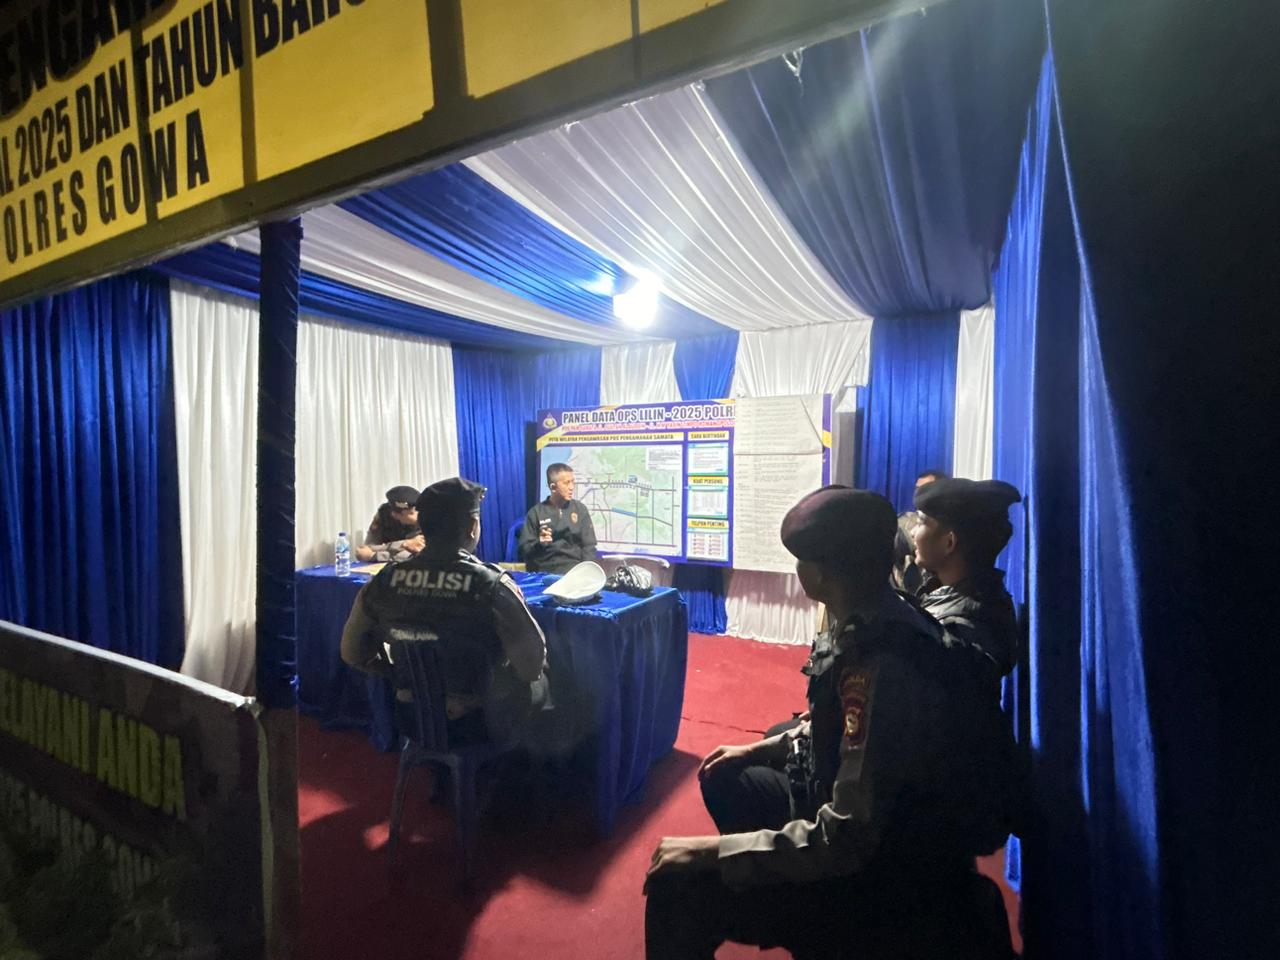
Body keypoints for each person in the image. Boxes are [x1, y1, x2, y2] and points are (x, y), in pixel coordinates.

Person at [644, 485, 1018, 960]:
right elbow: (835, 727)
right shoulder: (882, 616)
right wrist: (759, 750)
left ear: (817, 574)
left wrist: (712, 852)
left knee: (678, 886)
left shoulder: (879, 662)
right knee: (729, 773)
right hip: (867, 833)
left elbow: (848, 837)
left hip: (877, 879)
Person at [340, 477, 549, 744]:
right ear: (472, 528)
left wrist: (397, 676)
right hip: (478, 721)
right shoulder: (490, 584)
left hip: (410, 716)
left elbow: (351, 653)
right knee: (543, 680)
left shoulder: (384, 581)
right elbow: (531, 666)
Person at [911, 477, 1023, 700]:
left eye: (921, 522)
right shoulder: (979, 598)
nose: (913, 532)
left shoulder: (965, 627)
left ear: (949, 543)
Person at [518, 463, 598, 574]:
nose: (571, 487)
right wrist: (539, 543)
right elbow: (524, 549)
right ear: (553, 487)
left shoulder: (580, 510)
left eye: (573, 482)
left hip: (574, 572)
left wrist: (585, 572)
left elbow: (589, 547)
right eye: (566, 483)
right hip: (544, 572)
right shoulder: (536, 513)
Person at [892, 467, 949, 595]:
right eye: (917, 489)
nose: (919, 494)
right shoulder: (902, 523)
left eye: (925, 489)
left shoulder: (949, 525)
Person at [354, 485, 425, 563]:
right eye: (395, 512)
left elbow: (414, 555)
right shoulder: (384, 515)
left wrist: (374, 556)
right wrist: (402, 544)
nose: (395, 515)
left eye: (402, 514)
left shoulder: (429, 520)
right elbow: (368, 547)